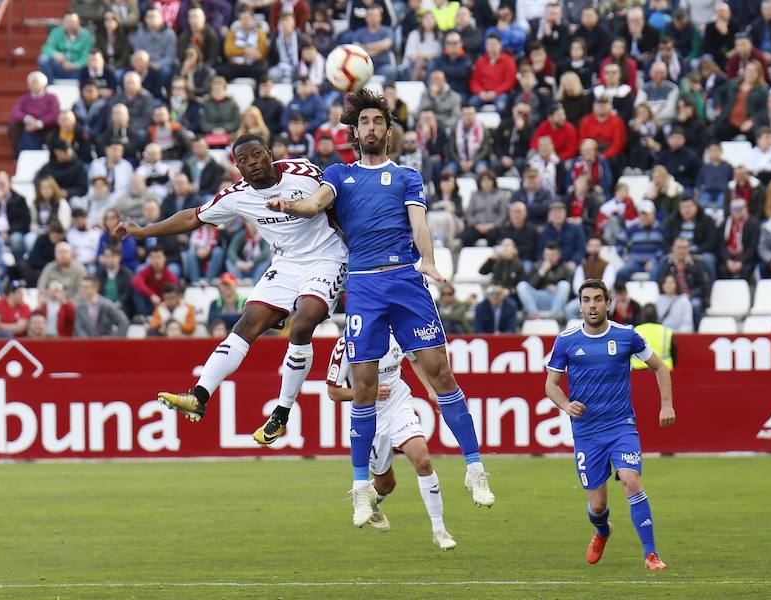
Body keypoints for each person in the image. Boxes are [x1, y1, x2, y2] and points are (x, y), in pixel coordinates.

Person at [266, 89, 495, 526]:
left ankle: (475, 469)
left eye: (378, 122)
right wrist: (288, 205)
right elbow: (315, 204)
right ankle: (360, 488)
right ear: (354, 131)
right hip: (365, 286)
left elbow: (419, 223)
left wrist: (428, 260)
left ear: (389, 131)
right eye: (364, 123)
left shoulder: (407, 176)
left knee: (440, 373)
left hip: (406, 280)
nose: (371, 129)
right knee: (365, 387)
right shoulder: (339, 174)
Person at [115, 134, 348, 449]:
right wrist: (144, 231)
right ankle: (199, 396)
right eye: (243, 160)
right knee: (246, 323)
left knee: (304, 322)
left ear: (269, 153)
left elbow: (340, 199)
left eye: (256, 155)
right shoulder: (236, 196)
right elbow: (192, 217)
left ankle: (281, 412)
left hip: (328, 258)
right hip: (287, 263)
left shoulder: (304, 172)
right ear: (237, 166)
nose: (251, 164)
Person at [546, 278, 675, 571]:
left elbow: (660, 367)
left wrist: (666, 404)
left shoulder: (626, 336)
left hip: (621, 426)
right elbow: (551, 385)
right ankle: (603, 530)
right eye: (587, 300)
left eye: (597, 299)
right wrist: (566, 404)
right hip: (587, 432)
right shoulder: (566, 340)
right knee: (598, 506)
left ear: (608, 303)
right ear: (579, 305)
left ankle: (650, 554)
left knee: (631, 480)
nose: (592, 305)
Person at [326, 335, 458, 549]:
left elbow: (415, 359)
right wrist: (367, 393)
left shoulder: (397, 334)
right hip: (370, 419)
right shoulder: (346, 344)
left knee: (423, 462)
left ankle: (439, 530)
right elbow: (333, 391)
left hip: (399, 408)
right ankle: (372, 500)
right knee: (386, 485)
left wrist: (431, 390)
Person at [654, 237, 711, 325]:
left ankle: (695, 333)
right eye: (679, 248)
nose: (682, 251)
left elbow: (704, 286)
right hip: (671, 296)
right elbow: (660, 281)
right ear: (673, 249)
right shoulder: (666, 263)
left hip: (691, 297)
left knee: (696, 305)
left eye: (685, 248)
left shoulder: (697, 263)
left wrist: (691, 294)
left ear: (688, 249)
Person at [516, 241, 572, 319]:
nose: (549, 258)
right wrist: (541, 272)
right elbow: (530, 285)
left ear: (559, 255)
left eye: (552, 255)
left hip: (556, 299)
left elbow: (570, 290)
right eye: (547, 255)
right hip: (539, 297)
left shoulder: (565, 268)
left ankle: (553, 316)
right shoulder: (536, 266)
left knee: (564, 285)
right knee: (521, 285)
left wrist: (556, 288)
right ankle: (535, 316)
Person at [9, 71, 60, 155]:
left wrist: (39, 124)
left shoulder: (52, 98)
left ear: (44, 84)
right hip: (28, 126)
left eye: (36, 82)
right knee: (19, 128)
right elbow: (15, 112)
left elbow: (54, 114)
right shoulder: (24, 98)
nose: (34, 84)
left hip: (46, 127)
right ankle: (20, 155)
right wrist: (28, 119)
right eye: (31, 82)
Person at [616, 200, 664, 283]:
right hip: (635, 262)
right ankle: (622, 295)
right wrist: (625, 256)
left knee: (656, 273)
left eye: (646, 214)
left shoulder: (661, 229)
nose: (644, 217)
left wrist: (654, 260)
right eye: (642, 214)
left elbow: (664, 248)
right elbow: (619, 242)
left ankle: (653, 295)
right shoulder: (633, 229)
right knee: (621, 273)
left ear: (653, 214)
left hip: (653, 262)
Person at [37, 12, 93, 83]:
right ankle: (50, 85)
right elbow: (47, 47)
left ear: (78, 22)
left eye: (72, 21)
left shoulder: (85, 35)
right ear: (63, 22)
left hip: (77, 68)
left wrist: (74, 65)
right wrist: (55, 54)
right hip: (60, 65)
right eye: (67, 21)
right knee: (43, 59)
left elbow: (86, 55)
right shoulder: (56, 32)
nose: (69, 24)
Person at [719, 198, 761, 280]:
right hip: (729, 257)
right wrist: (728, 260)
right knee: (722, 269)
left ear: (746, 209)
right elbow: (721, 245)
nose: (737, 211)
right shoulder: (725, 224)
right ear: (730, 210)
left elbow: (752, 248)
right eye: (734, 209)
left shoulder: (753, 224)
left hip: (746, 257)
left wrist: (741, 261)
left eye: (740, 208)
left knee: (746, 269)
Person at [631, 304, 678, 372]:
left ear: (642, 316)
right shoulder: (666, 331)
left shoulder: (635, 330)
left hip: (638, 372)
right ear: (656, 316)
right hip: (664, 371)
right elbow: (674, 355)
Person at [96, 243, 134, 317]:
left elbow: (127, 294)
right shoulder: (100, 273)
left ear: (119, 257)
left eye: (113, 256)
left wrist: (118, 304)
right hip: (103, 306)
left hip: (121, 307)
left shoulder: (127, 273)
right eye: (107, 256)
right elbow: (98, 292)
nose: (109, 259)